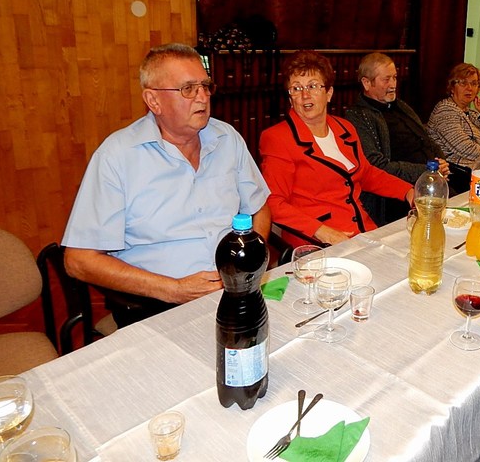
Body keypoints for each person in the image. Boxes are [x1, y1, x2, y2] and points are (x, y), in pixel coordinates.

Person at [62, 43, 271, 328]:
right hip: (159, 305)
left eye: (205, 86)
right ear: (154, 101)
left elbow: (259, 208)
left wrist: (250, 266)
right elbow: (78, 260)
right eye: (188, 89)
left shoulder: (227, 138)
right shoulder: (117, 156)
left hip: (237, 292)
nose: (202, 97)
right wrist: (173, 289)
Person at [259, 51, 414, 247]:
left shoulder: (345, 128)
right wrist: (322, 231)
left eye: (313, 86)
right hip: (316, 243)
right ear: (290, 99)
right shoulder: (277, 138)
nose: (305, 95)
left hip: (362, 231)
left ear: (329, 93)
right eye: (296, 88)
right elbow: (273, 202)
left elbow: (366, 174)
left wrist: (407, 190)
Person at [345, 52, 448, 225]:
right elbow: (375, 165)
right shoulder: (358, 116)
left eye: (394, 78)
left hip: (431, 179)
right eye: (386, 79)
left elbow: (426, 139)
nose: (393, 85)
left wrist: (441, 163)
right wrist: (426, 171)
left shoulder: (401, 105)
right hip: (397, 195)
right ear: (366, 83)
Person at [426, 63, 480, 170]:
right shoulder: (444, 111)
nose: (469, 88)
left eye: (474, 83)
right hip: (459, 170)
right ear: (452, 87)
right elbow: (465, 148)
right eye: (463, 83)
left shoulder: (472, 114)